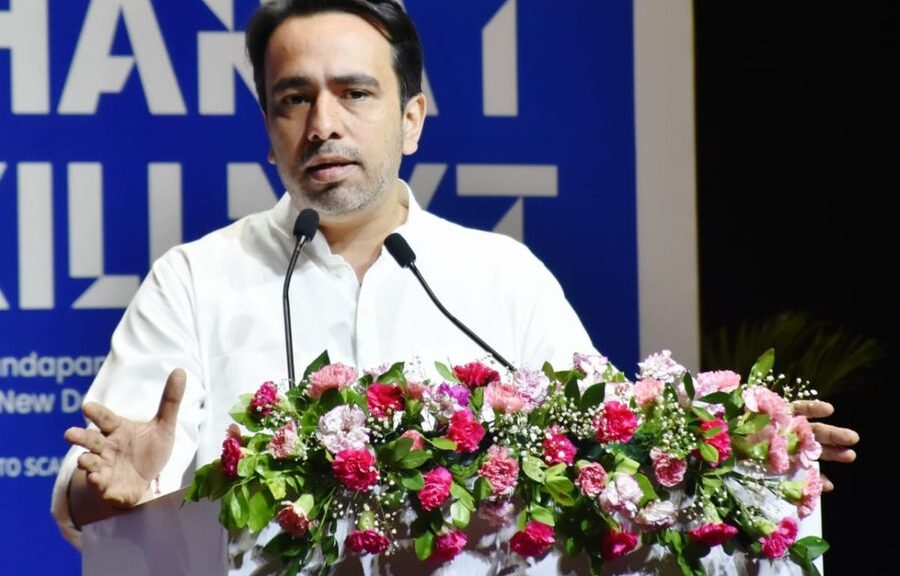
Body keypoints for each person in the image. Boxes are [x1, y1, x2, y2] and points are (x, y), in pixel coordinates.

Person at [53, 0, 859, 569]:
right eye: (294, 100)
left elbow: (614, 459)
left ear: (412, 117)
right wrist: (122, 487)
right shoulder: (196, 280)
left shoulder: (500, 277)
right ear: (270, 131)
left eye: (354, 93)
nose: (323, 124)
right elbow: (95, 495)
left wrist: (745, 455)